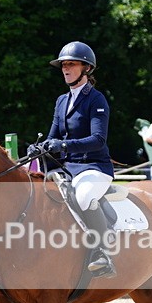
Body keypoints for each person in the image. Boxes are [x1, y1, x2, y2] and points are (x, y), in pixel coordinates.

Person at [28, 41, 115, 278]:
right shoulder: (61, 101)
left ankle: (102, 252)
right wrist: (39, 148)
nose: (65, 69)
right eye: (64, 65)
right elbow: (52, 137)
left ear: (86, 68)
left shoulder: (96, 100)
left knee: (84, 196)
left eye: (71, 64)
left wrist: (63, 145)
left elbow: (98, 139)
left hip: (93, 167)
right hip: (67, 168)